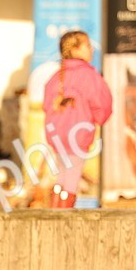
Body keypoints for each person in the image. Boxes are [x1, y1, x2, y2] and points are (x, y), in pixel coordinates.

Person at [42, 30, 113, 208]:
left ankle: (53, 212)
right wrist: (99, 118)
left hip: (57, 134)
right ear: (75, 50)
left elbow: (46, 105)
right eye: (88, 46)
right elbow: (102, 103)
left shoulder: (55, 77)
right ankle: (62, 217)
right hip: (78, 135)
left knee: (62, 175)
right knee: (72, 176)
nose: (92, 50)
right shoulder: (90, 76)